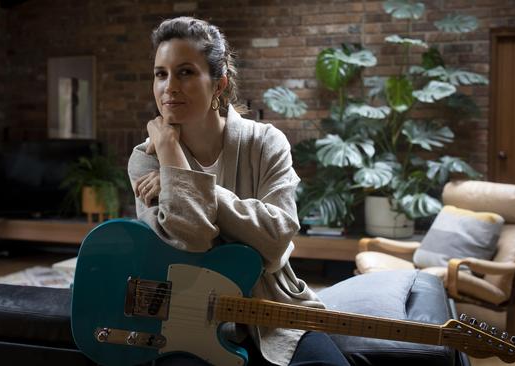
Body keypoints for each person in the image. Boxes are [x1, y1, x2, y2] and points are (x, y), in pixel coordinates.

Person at [127, 16, 350, 366]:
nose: (169, 86)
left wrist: (194, 188)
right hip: (188, 318)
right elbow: (190, 242)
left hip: (274, 311)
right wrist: (170, 154)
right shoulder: (146, 159)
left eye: (185, 72)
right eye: (160, 73)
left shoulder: (265, 142)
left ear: (219, 84)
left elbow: (276, 238)